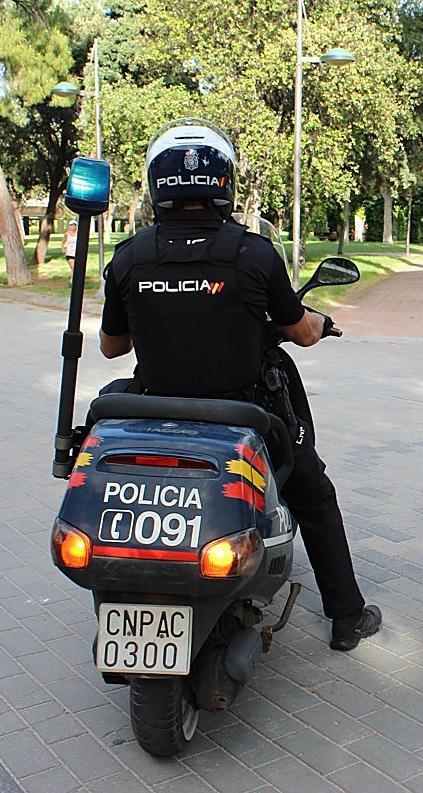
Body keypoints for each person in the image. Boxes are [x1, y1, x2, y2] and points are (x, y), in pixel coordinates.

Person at [98, 117, 382, 651]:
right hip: (247, 416)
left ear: (157, 187)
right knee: (314, 496)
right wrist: (315, 323)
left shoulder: (129, 257)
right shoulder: (253, 253)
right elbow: (300, 330)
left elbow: (113, 347)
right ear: (223, 185)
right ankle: (347, 618)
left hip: (158, 416)